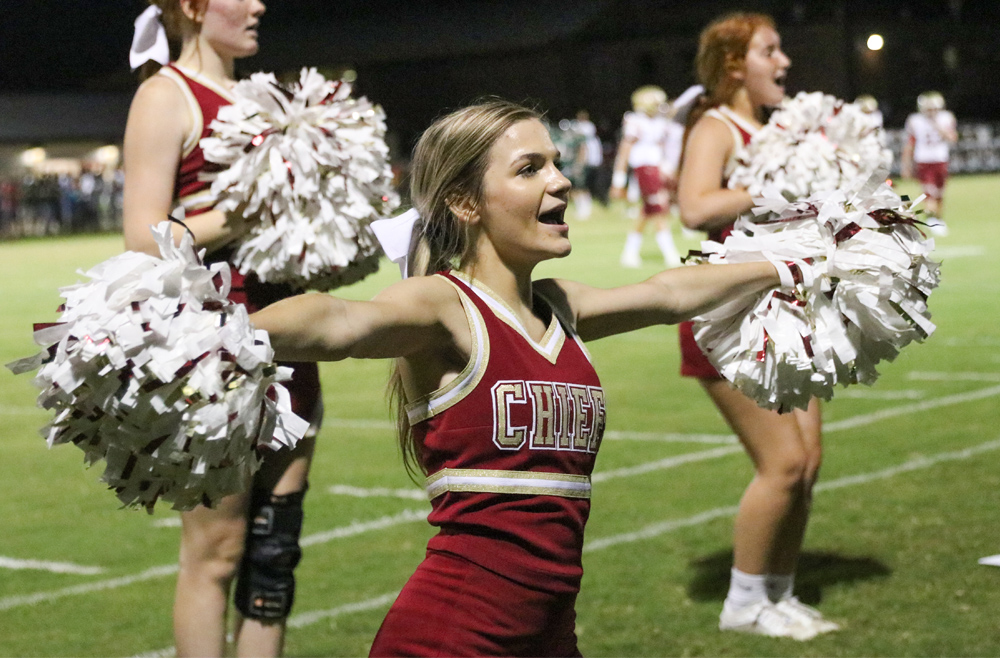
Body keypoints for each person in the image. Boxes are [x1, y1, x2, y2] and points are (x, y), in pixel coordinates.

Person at [249, 99, 786, 656]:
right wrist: (230, 332)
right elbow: (341, 321)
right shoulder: (444, 306)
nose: (561, 181)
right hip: (451, 638)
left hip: (550, 637)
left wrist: (789, 267)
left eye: (555, 163)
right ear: (464, 202)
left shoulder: (560, 308)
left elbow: (670, 293)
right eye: (530, 169)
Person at [122, 2, 322, 656]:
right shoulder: (164, 95)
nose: (262, 3)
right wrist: (246, 210)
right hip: (214, 352)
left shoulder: (264, 99)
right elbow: (143, 239)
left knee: (274, 552)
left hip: (290, 339)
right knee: (216, 551)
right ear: (191, 6)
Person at [676, 12, 839, 640]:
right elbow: (695, 206)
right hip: (728, 315)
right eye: (770, 50)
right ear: (735, 64)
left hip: (789, 306)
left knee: (809, 462)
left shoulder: (779, 129)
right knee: (782, 464)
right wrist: (770, 187)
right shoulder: (715, 125)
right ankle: (743, 603)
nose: (785, 61)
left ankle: (778, 594)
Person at [611, 86, 684, 269]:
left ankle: (629, 253)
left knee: (649, 210)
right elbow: (625, 150)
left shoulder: (660, 122)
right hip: (644, 168)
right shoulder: (636, 121)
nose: (660, 107)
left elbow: (663, 146)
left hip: (657, 167)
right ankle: (670, 254)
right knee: (659, 208)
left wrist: (667, 168)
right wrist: (619, 179)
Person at [901, 91, 957, 236]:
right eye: (929, 109)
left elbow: (952, 138)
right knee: (929, 192)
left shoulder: (946, 118)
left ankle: (938, 219)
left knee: (940, 193)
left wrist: (937, 125)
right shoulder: (915, 120)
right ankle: (932, 219)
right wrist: (906, 165)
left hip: (941, 159)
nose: (931, 112)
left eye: (934, 109)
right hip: (924, 160)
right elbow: (910, 144)